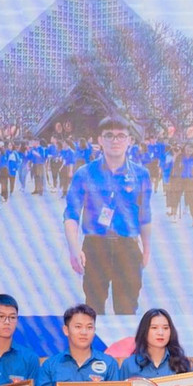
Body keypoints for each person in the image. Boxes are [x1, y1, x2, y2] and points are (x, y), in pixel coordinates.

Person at [63, 115, 153, 315]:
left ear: (130, 141)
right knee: (93, 309)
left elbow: (145, 216)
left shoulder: (141, 175)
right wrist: (74, 249)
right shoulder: (84, 173)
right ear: (100, 140)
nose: (115, 140)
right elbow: (71, 215)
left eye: (121, 136)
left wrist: (146, 250)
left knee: (127, 309)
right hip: (95, 248)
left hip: (128, 247)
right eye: (109, 135)